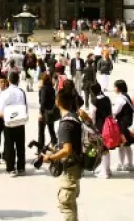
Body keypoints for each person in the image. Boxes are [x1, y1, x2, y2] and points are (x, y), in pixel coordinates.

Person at [43, 89, 83, 221]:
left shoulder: (65, 123)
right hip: (75, 166)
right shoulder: (74, 117)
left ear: (57, 102)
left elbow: (67, 150)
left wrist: (50, 158)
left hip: (70, 169)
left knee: (66, 205)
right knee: (71, 203)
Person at [0, 70, 28, 177]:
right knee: (20, 145)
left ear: (8, 80)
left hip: (9, 122)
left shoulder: (5, 93)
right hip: (20, 122)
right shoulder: (22, 92)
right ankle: (21, 167)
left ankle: (10, 168)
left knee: (9, 145)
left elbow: (0, 109)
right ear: (18, 80)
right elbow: (25, 106)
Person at [111, 79, 134, 172]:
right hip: (128, 123)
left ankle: (121, 164)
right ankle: (130, 164)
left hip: (122, 124)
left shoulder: (121, 98)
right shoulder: (127, 96)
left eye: (115, 87)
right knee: (127, 145)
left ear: (119, 88)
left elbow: (115, 111)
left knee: (121, 145)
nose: (114, 88)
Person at [38, 72, 58, 149]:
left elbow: (42, 102)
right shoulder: (52, 89)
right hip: (51, 113)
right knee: (51, 130)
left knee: (41, 132)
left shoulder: (44, 89)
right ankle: (54, 144)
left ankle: (40, 148)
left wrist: (40, 113)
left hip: (44, 112)